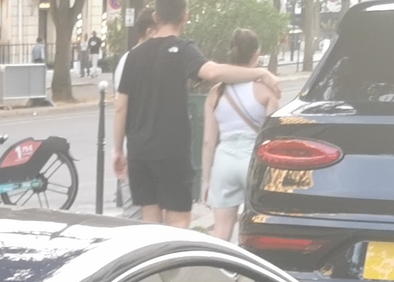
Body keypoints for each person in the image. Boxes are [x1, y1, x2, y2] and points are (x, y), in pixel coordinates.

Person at [114, 0, 274, 228]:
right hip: (172, 150)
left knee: (149, 219)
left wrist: (118, 149)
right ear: (185, 17)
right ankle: (174, 265)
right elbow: (213, 72)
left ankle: (155, 262)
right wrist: (260, 73)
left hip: (139, 152)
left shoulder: (134, 56)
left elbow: (121, 107)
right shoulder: (183, 49)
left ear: (156, 18)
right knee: (178, 218)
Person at [200, 28, 278, 242]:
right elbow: (271, 136)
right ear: (256, 54)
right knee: (256, 226)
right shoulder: (266, 90)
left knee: (221, 229)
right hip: (253, 161)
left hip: (224, 160)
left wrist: (206, 180)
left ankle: (220, 271)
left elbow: (208, 141)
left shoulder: (216, 92)